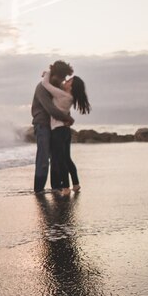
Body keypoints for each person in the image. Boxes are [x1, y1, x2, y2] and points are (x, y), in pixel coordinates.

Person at [41, 71, 91, 196]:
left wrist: (48, 72)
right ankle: (76, 184)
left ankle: (66, 187)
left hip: (58, 131)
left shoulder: (63, 95)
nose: (66, 81)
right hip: (65, 131)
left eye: (69, 81)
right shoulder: (70, 98)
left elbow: (45, 84)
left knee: (61, 160)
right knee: (67, 159)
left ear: (71, 87)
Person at [31, 61, 75, 193]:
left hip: (56, 125)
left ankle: (56, 187)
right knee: (43, 158)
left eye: (64, 78)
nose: (62, 81)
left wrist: (66, 118)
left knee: (57, 157)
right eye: (61, 77)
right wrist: (67, 118)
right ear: (54, 74)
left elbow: (63, 105)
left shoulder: (58, 86)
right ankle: (38, 190)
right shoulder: (42, 88)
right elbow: (50, 109)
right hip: (43, 124)